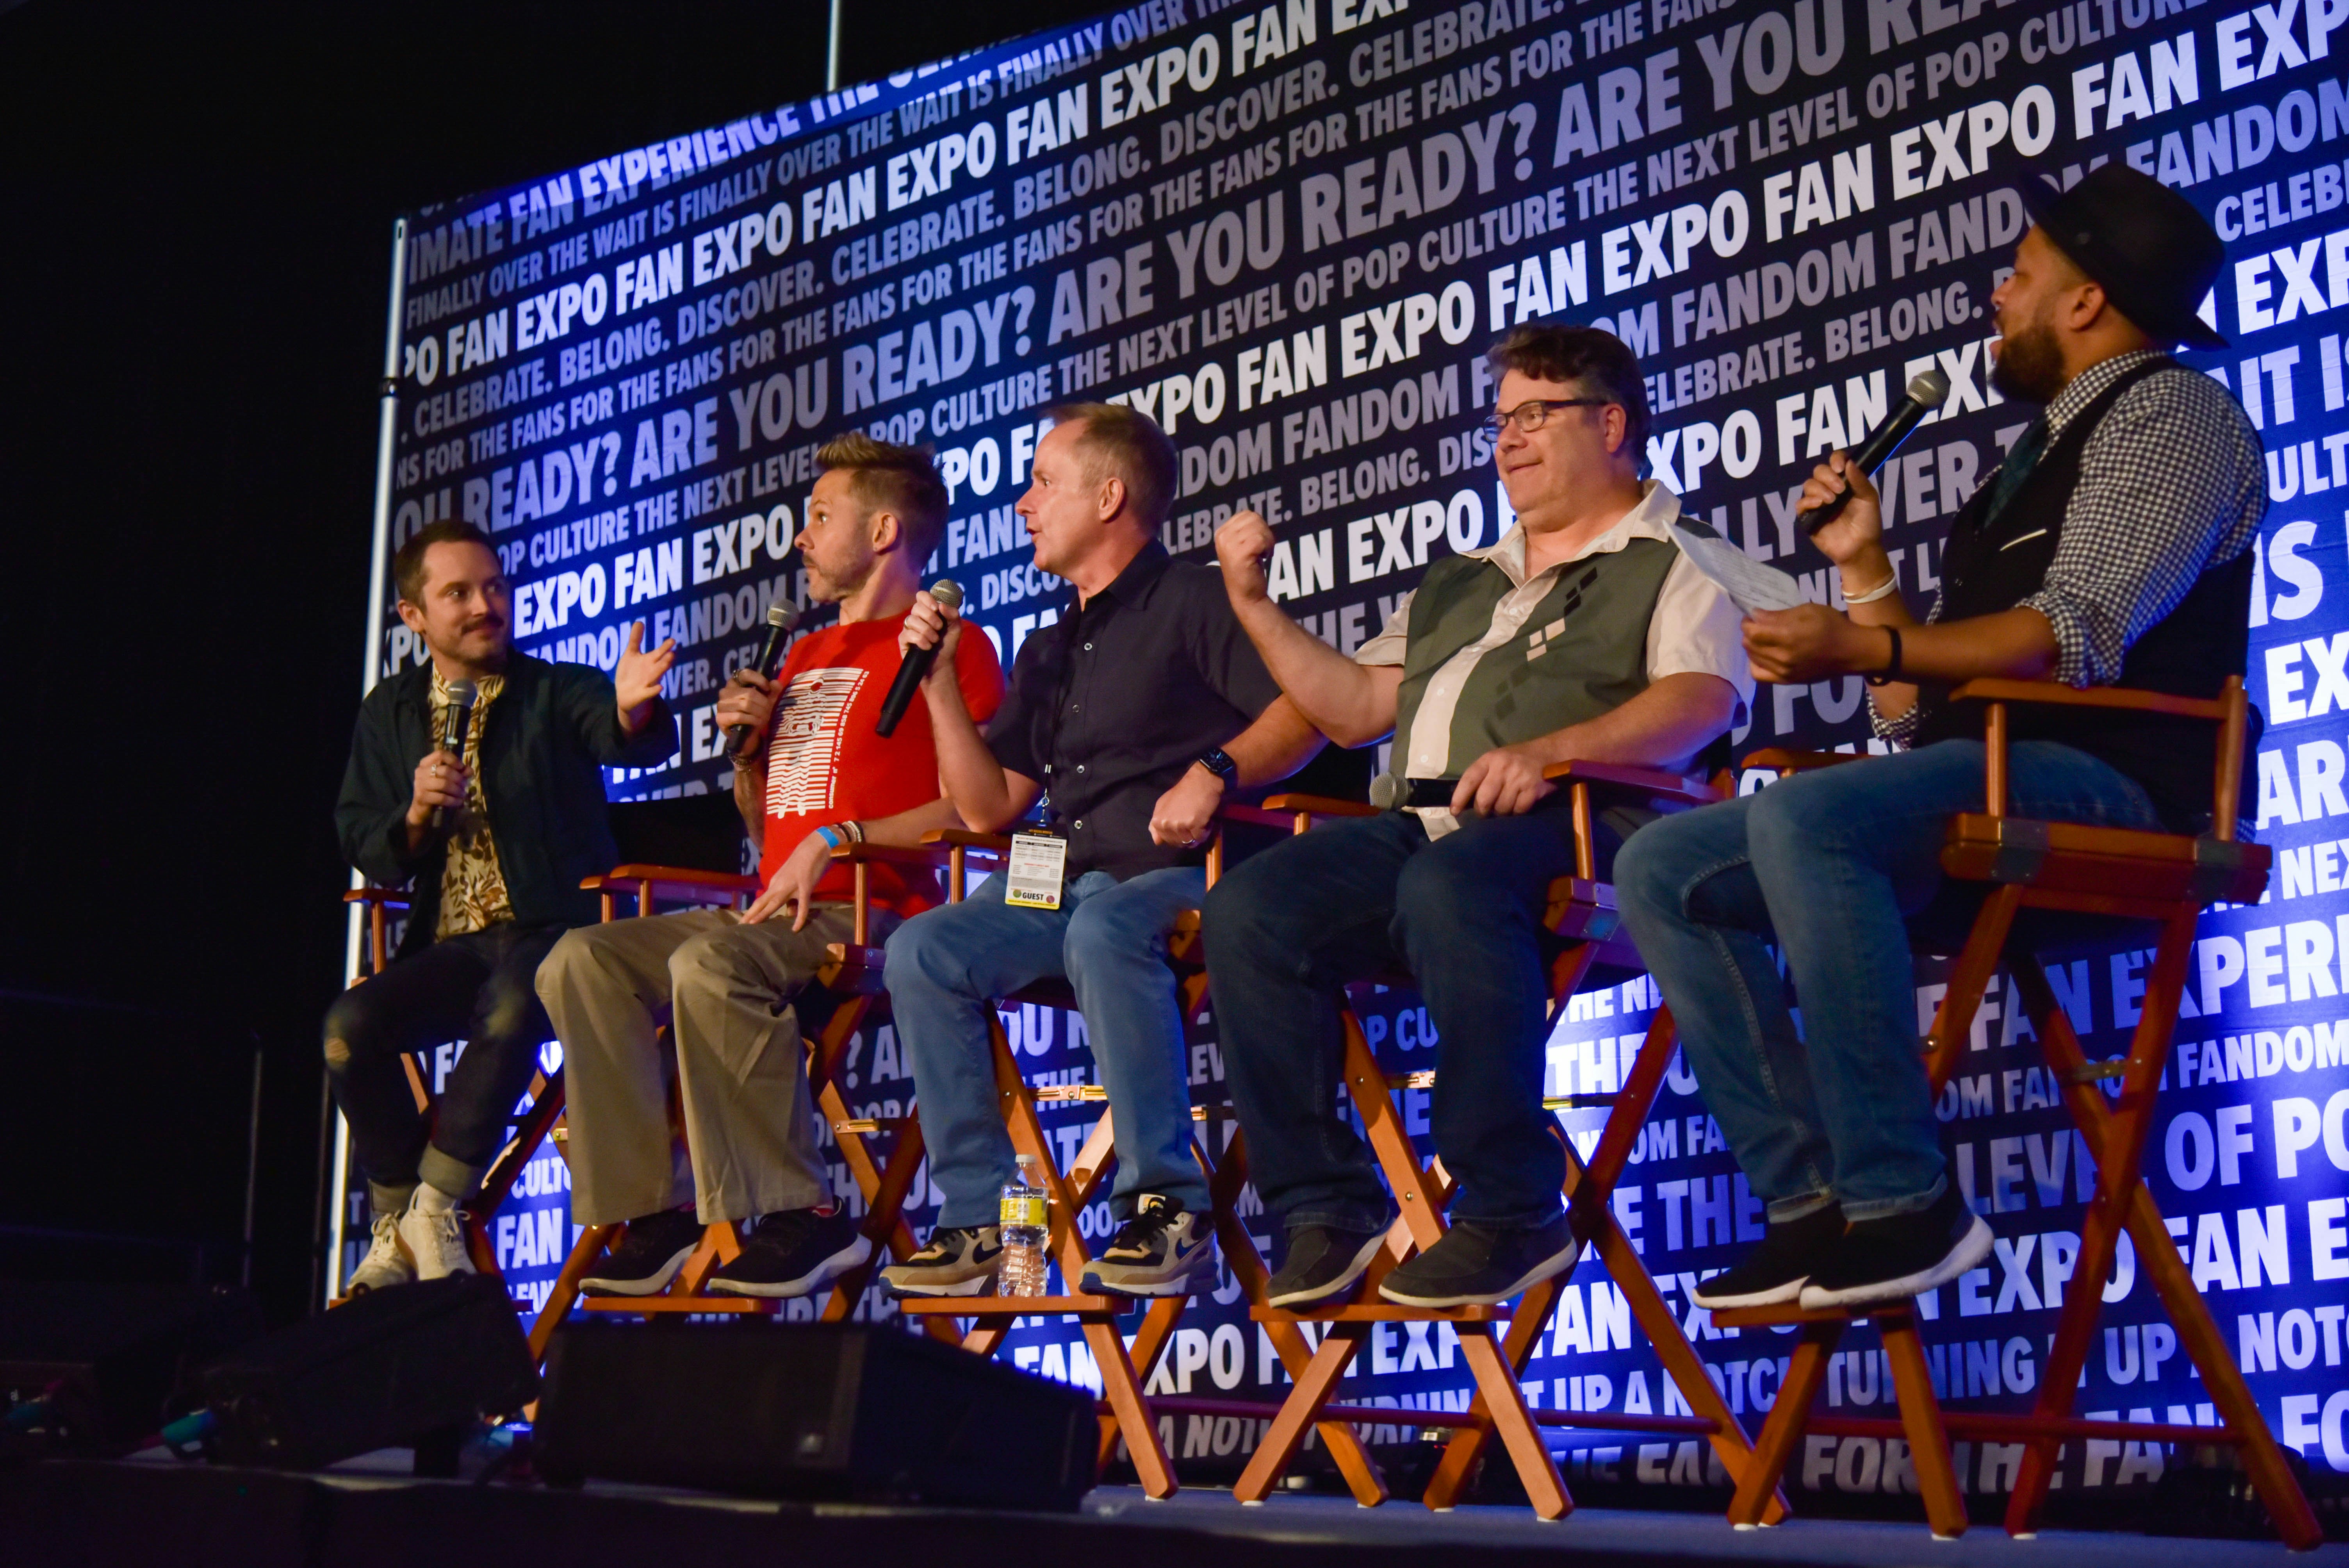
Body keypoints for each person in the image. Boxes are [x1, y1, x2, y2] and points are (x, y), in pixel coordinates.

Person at [1614, 163, 2262, 1312]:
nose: (1994, 299)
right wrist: (1865, 572)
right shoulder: (2023, 468)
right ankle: (1814, 1200)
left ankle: (1902, 1199)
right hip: (1995, 783)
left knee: (1813, 820)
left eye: (2018, 277)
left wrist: (1864, 648)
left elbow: (2075, 638)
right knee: (1664, 865)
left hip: (2125, 793)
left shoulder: (2172, 412)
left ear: (2084, 303)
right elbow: (1919, 724)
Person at [1202, 323, 1750, 1310]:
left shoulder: (1681, 553)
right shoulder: (1462, 575)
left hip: (1591, 826)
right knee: (1252, 906)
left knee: (1446, 880)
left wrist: (1546, 753)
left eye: (1534, 415)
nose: (1507, 440)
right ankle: (1324, 1205)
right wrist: (1253, 606)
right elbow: (1356, 706)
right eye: (1500, 422)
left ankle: (1508, 1206)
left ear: (1613, 422)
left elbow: (1700, 699)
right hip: (1428, 829)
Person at [534, 435, 1003, 1299]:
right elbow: (763, 823)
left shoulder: (954, 647)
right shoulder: (801, 653)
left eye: (821, 517)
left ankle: (803, 1215)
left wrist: (846, 838)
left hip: (869, 908)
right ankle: (655, 1213)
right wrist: (745, 755)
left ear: (884, 531)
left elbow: (970, 808)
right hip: (773, 906)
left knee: (705, 963)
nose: (801, 537)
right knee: (579, 958)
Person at [879, 403, 1324, 1299]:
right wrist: (935, 687)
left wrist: (1214, 770)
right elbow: (989, 804)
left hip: (1180, 876)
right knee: (923, 947)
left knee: (1104, 930)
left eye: (1043, 482)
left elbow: (1306, 711)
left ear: (1110, 495)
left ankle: (1166, 1202)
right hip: (1061, 880)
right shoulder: (1049, 646)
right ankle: (975, 1219)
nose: (1022, 504)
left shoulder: (1197, 597)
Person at [330, 519, 679, 1292]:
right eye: (458, 593)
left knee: (516, 1003)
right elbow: (362, 837)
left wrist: (630, 711)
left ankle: (438, 1205)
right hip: (450, 949)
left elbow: (625, 732)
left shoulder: (554, 689)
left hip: (553, 931)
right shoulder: (389, 712)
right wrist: (415, 816)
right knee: (346, 1031)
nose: (485, 605)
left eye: (493, 586)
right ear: (414, 617)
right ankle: (399, 1222)